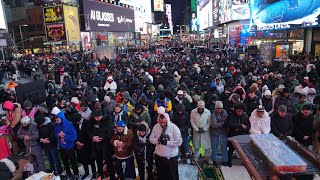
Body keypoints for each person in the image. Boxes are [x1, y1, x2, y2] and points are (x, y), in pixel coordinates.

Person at [149, 107, 182, 180]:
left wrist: (167, 142)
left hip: (170, 157)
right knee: (161, 176)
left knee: (172, 176)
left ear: (167, 120)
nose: (162, 124)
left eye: (164, 122)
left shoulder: (174, 128)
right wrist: (158, 140)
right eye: (161, 122)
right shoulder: (156, 127)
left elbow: (179, 142)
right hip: (159, 156)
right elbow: (151, 139)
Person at [52, 107, 79, 179]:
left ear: (61, 118)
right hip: (61, 147)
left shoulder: (69, 124)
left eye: (58, 120)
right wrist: (58, 135)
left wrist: (65, 136)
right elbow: (55, 133)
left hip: (70, 146)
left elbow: (74, 136)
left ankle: (76, 174)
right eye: (56, 120)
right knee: (65, 161)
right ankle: (68, 173)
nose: (57, 122)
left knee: (73, 161)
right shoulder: (56, 125)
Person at [87, 109, 114, 179]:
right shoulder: (92, 120)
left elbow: (109, 133)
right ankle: (101, 175)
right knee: (98, 161)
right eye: (95, 117)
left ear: (101, 116)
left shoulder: (108, 119)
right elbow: (88, 130)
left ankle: (112, 176)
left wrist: (99, 138)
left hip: (106, 145)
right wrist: (92, 137)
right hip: (95, 145)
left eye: (98, 117)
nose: (96, 119)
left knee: (108, 162)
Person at [72, 113, 95, 179]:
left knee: (91, 161)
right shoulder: (75, 124)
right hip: (80, 145)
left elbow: (90, 135)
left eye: (79, 121)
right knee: (83, 160)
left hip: (88, 145)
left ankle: (94, 174)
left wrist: (83, 143)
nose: (78, 123)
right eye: (77, 122)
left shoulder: (88, 123)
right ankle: (86, 172)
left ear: (81, 118)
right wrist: (77, 142)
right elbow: (75, 133)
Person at [190, 101, 212, 165]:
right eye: (199, 109)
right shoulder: (193, 112)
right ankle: (195, 158)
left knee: (207, 145)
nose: (200, 110)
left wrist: (205, 129)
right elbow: (192, 121)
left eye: (202, 109)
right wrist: (196, 129)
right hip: (196, 131)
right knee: (196, 145)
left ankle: (208, 158)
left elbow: (209, 122)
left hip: (205, 132)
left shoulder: (208, 112)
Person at [210, 101, 228, 166]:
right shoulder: (213, 114)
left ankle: (225, 160)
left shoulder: (225, 114)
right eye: (218, 108)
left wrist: (219, 124)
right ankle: (214, 160)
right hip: (215, 133)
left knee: (224, 147)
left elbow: (226, 123)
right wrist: (222, 123)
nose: (219, 109)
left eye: (220, 108)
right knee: (214, 147)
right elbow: (213, 125)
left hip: (223, 133)